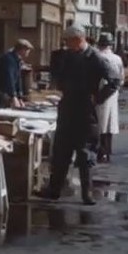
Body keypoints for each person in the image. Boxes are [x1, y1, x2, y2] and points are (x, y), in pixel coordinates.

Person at [36, 24, 121, 205]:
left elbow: (114, 80)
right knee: (61, 151)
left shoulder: (94, 57)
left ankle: (86, 193)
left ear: (78, 39)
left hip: (85, 109)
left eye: (68, 41)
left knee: (85, 153)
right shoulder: (66, 56)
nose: (66, 44)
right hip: (67, 106)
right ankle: (54, 190)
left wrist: (98, 98)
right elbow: (58, 75)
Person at [96, 33, 125, 163]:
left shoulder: (97, 57)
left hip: (99, 92)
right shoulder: (117, 59)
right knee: (110, 123)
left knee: (99, 122)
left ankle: (100, 151)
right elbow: (122, 78)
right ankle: (108, 151)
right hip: (113, 94)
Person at [0, 39, 33, 108]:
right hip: (0, 92)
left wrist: (20, 97)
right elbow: (9, 78)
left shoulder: (17, 60)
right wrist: (14, 97)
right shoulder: (9, 59)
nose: (28, 52)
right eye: (27, 49)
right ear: (22, 49)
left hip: (6, 93)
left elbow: (18, 79)